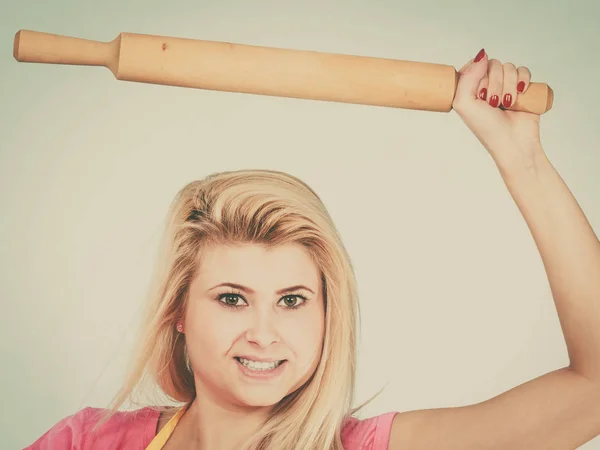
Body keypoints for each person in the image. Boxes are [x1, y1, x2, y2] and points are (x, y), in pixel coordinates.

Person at [26, 48, 600, 450]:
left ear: (329, 313)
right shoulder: (88, 442)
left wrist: (521, 158)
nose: (264, 332)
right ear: (177, 311)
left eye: (294, 300)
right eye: (231, 298)